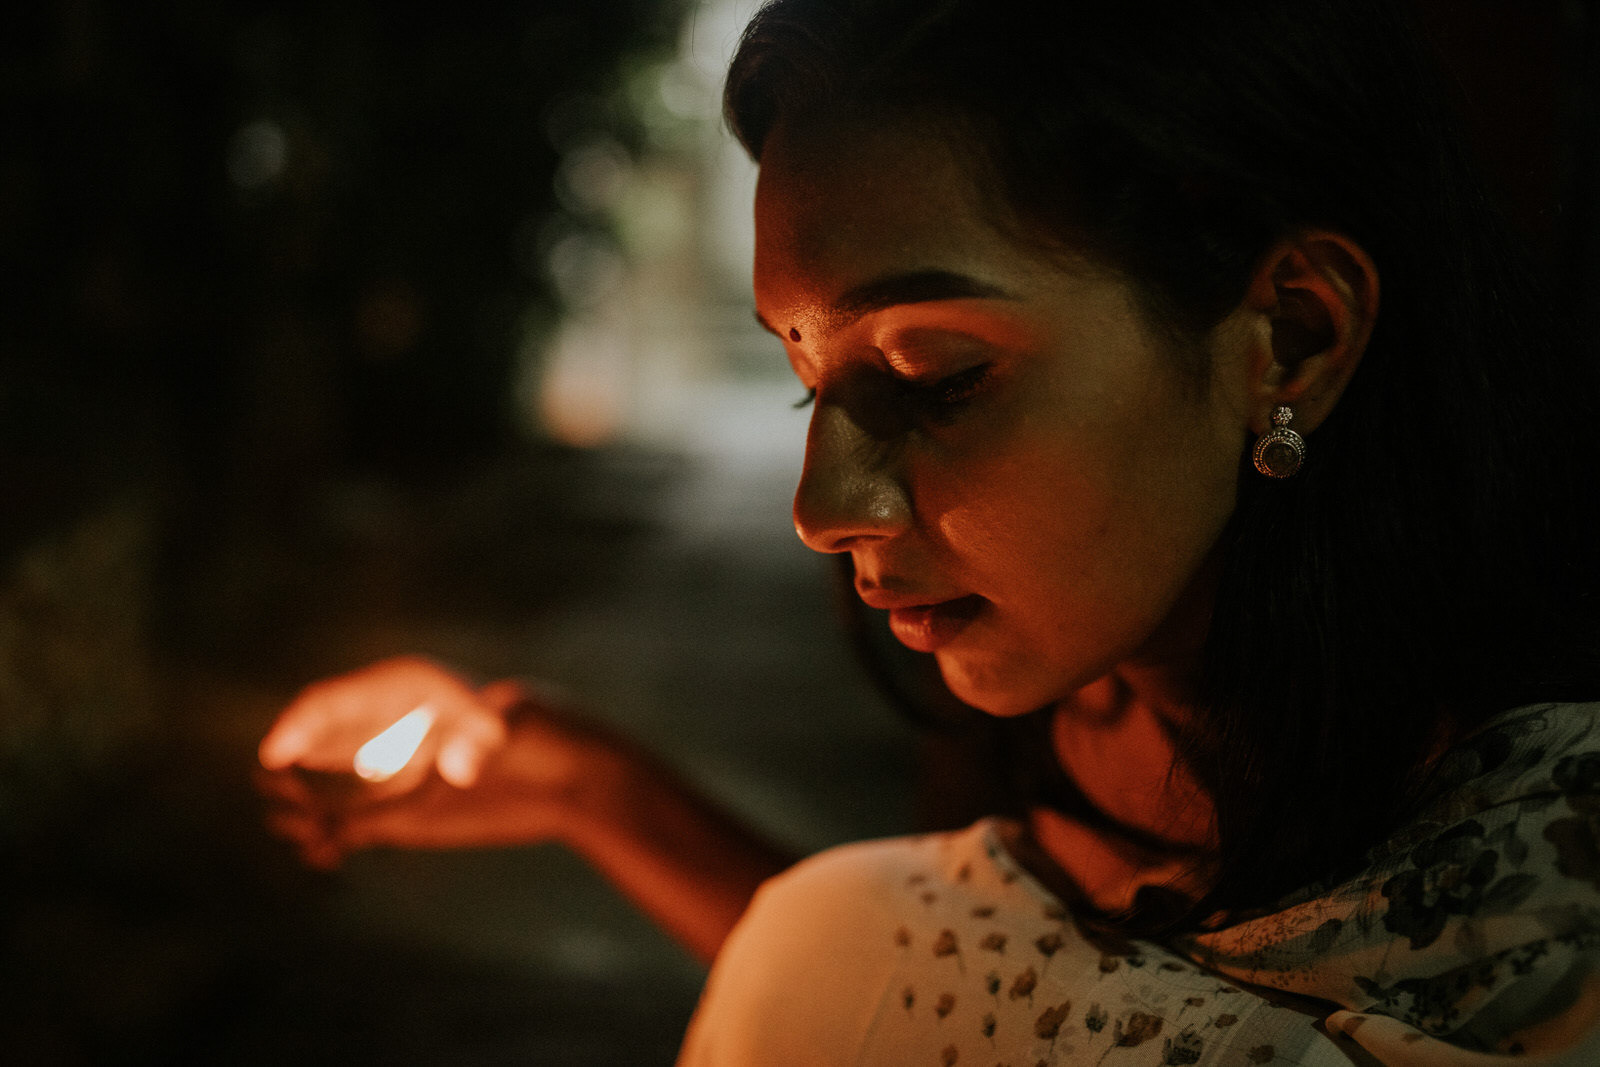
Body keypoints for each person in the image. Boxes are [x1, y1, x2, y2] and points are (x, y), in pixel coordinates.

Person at [259, 0, 1600, 1061]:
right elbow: (962, 1006)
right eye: (807, 378)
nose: (820, 510)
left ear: (1290, 338)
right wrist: (583, 785)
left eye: (936, 377)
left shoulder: (1552, 879)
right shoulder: (1075, 700)